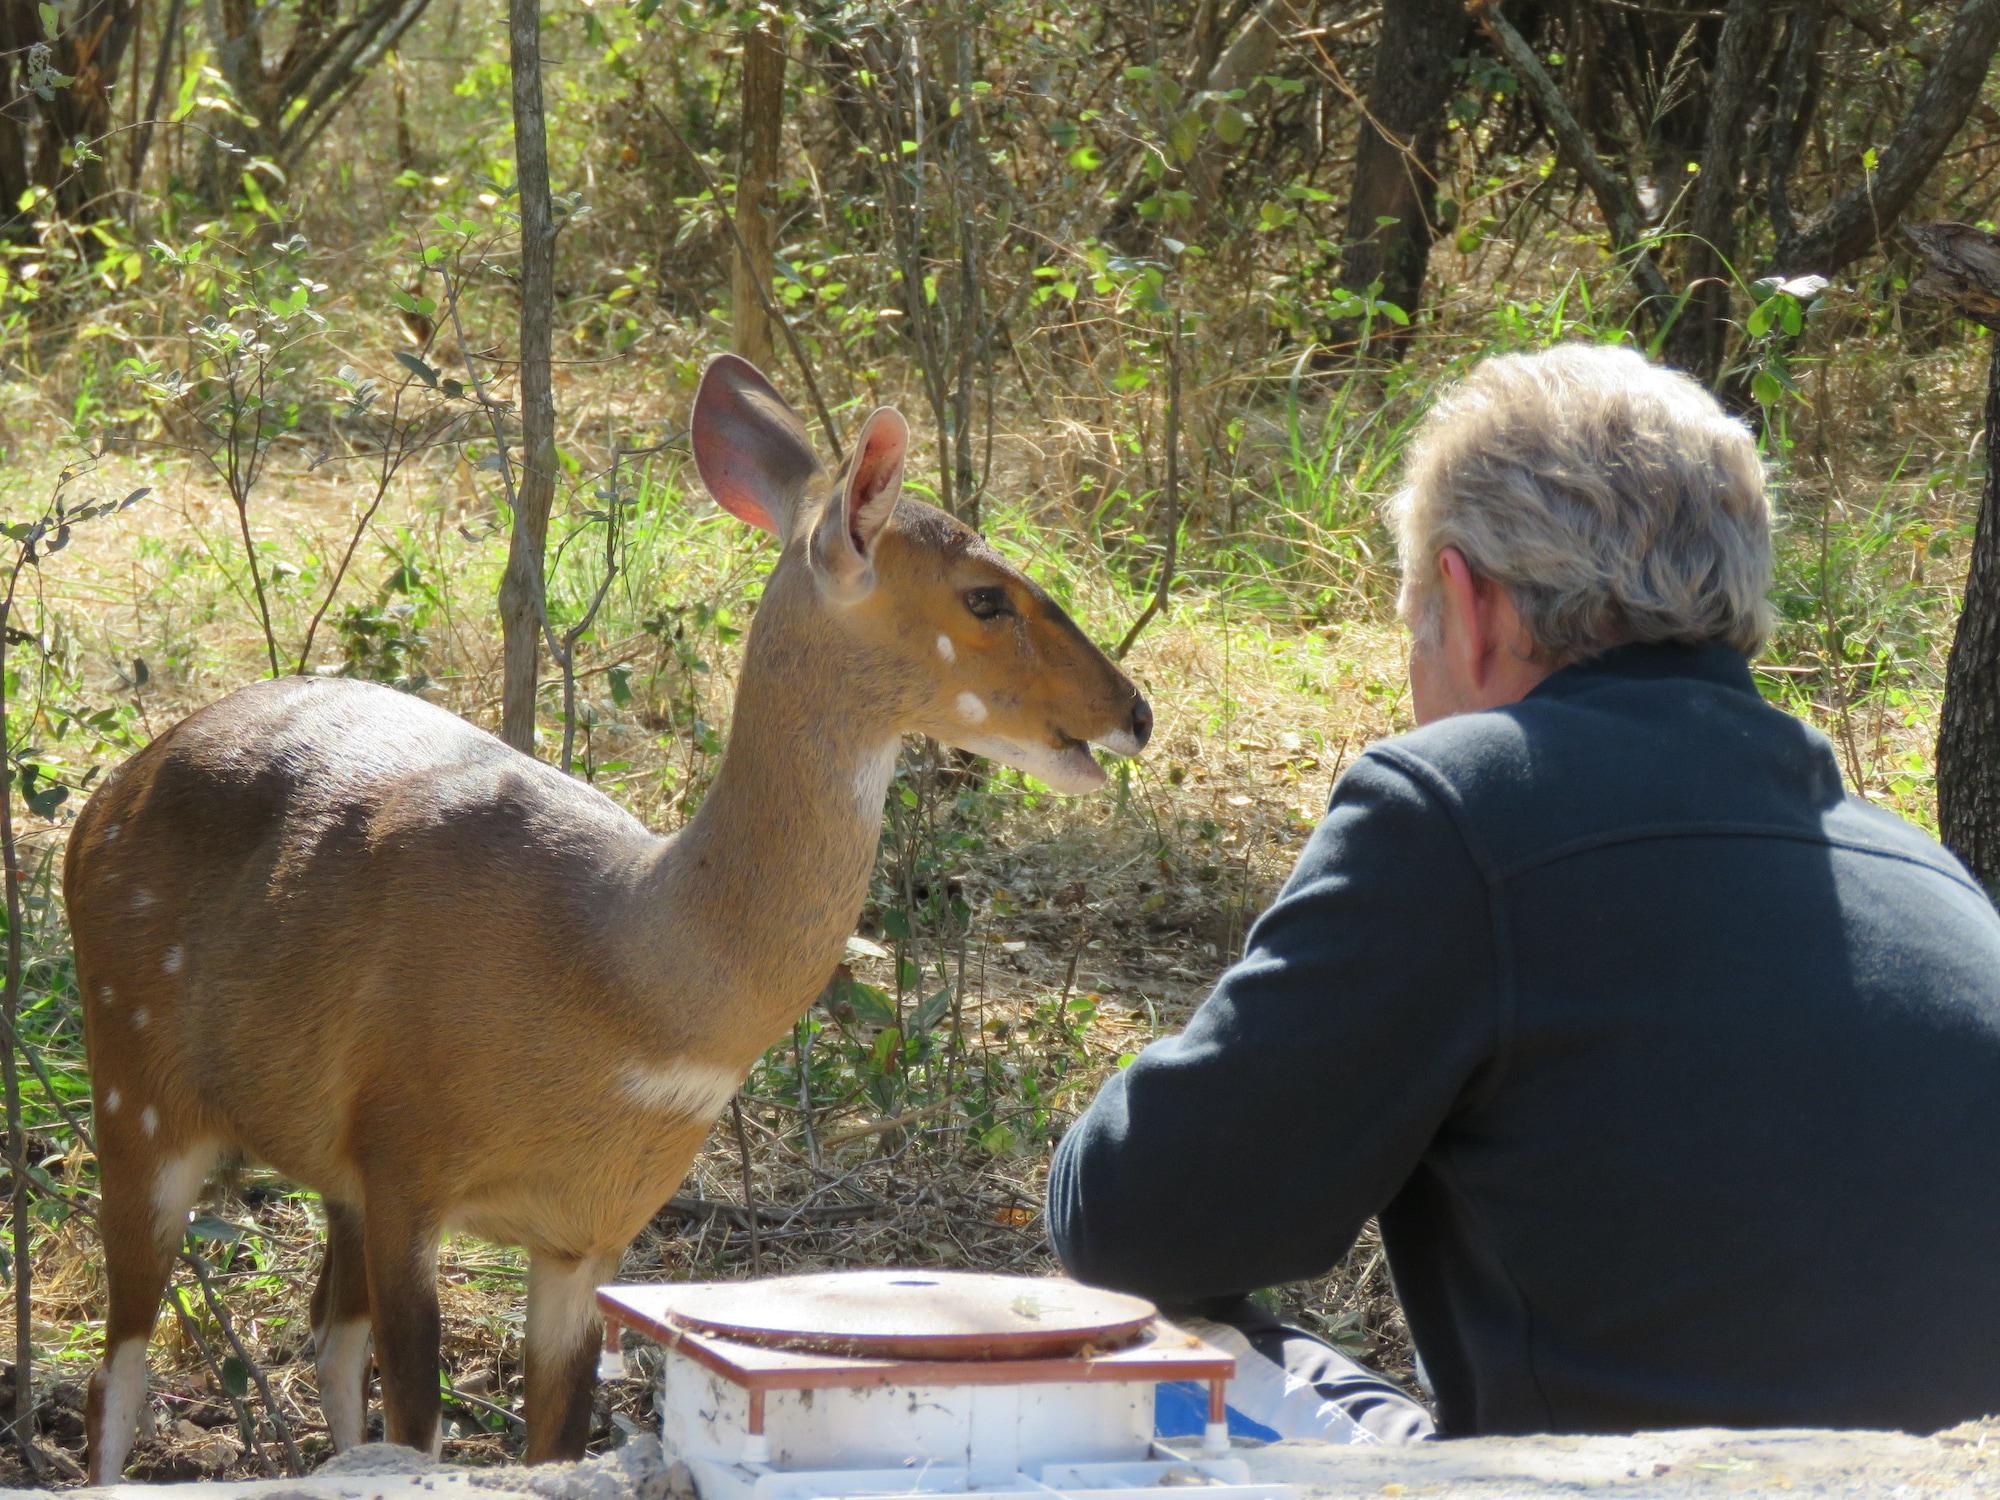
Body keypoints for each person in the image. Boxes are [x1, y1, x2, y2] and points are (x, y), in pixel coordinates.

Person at [1046, 343, 2000, 1442]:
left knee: (1132, 1345)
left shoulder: (1455, 808)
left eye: (1411, 625)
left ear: (1468, 604)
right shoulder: (1924, 874)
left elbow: (1137, 1222)